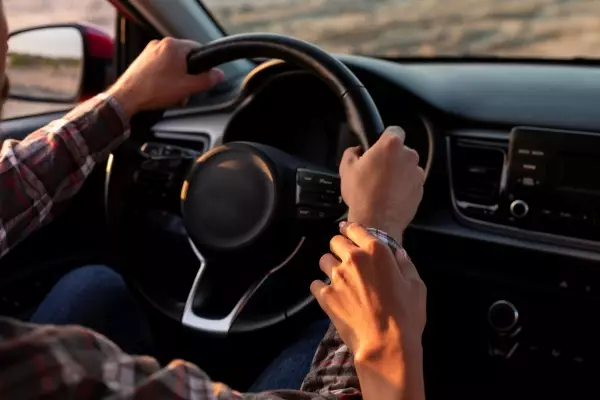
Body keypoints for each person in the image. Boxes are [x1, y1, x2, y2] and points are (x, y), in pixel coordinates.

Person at [0, 6, 427, 400]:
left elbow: (10, 185)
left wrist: (124, 99)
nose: (9, 60)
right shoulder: (40, 370)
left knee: (93, 286)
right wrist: (374, 232)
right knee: (317, 337)